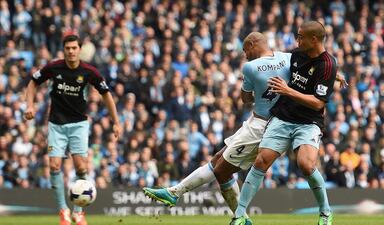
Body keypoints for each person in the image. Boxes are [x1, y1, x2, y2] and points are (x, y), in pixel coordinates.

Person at [143, 32, 292, 224]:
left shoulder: (250, 67)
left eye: (246, 50)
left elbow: (245, 99)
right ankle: (176, 192)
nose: (245, 55)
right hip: (264, 123)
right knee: (217, 160)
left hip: (261, 126)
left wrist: (254, 89)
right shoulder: (287, 58)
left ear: (254, 44)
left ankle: (238, 217)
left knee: (221, 170)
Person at [230, 21, 337, 225]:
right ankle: (239, 215)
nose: (297, 41)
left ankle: (325, 212)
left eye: (300, 37)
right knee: (261, 161)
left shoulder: (328, 66)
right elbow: (276, 63)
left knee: (306, 165)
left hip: (308, 121)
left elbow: (317, 103)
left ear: (313, 39)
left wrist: (288, 91)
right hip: (283, 116)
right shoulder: (296, 54)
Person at [24, 34, 121, 225]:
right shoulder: (53, 67)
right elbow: (33, 82)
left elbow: (106, 95)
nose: (71, 51)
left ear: (79, 49)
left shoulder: (89, 71)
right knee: (54, 166)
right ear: (64, 50)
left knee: (82, 167)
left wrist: (116, 122)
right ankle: (63, 212)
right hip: (56, 124)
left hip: (78, 124)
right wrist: (30, 105)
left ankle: (78, 212)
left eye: (74, 48)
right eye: (67, 48)